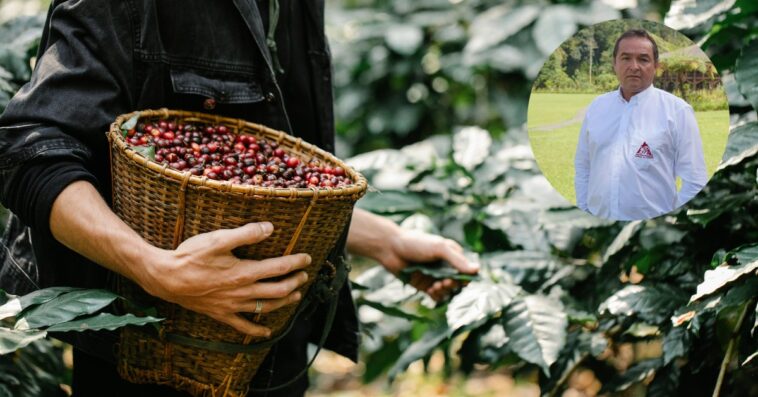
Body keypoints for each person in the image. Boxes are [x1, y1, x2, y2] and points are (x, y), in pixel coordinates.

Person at [0, 1, 477, 396]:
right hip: (151, 351)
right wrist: (155, 268)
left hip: (272, 345)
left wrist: (388, 242)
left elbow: (272, 184)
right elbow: (31, 153)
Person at [574, 29, 708, 221]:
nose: (634, 66)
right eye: (626, 58)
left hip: (651, 232)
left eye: (643, 59)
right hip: (599, 224)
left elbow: (695, 180)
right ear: (615, 64)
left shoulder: (677, 112)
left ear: (656, 66)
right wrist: (585, 209)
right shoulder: (597, 107)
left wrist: (668, 222)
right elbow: (583, 166)